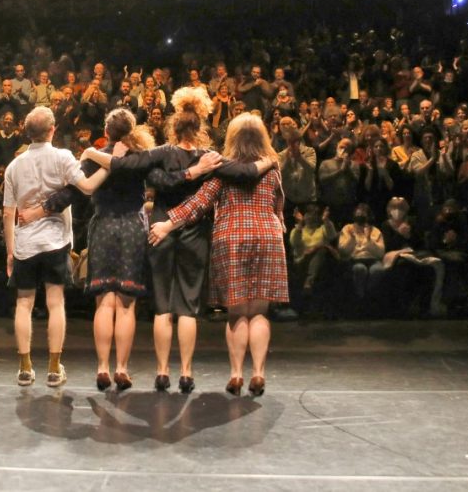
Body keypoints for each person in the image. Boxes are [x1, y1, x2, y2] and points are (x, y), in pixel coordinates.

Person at [86, 87, 269, 394]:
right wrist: (269, 162)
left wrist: (92, 153)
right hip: (195, 234)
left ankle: (161, 372)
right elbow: (247, 171)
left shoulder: (160, 154)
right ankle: (185, 372)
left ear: (174, 127)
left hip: (159, 230)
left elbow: (122, 165)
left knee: (161, 306)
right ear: (200, 129)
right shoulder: (209, 158)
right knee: (187, 306)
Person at [149, 112, 287, 397]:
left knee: (237, 312)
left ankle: (236, 375)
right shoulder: (273, 169)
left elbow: (199, 203)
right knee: (259, 312)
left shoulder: (222, 170)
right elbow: (279, 206)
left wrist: (167, 223)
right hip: (268, 236)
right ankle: (258, 374)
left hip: (232, 237)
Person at [19, 108, 154, 391]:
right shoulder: (141, 157)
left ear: (106, 131)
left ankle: (103, 367)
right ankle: (121, 368)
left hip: (104, 226)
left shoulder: (96, 157)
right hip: (132, 226)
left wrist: (41, 210)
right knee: (126, 303)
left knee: (104, 300)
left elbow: (72, 192)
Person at [2, 106, 109, 387]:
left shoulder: (14, 166)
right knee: (55, 302)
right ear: (53, 130)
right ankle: (53, 367)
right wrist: (110, 165)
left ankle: (25, 368)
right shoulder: (62, 157)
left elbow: (7, 213)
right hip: (54, 241)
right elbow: (85, 187)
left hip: (25, 242)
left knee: (24, 304)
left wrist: (10, 253)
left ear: (28, 133)